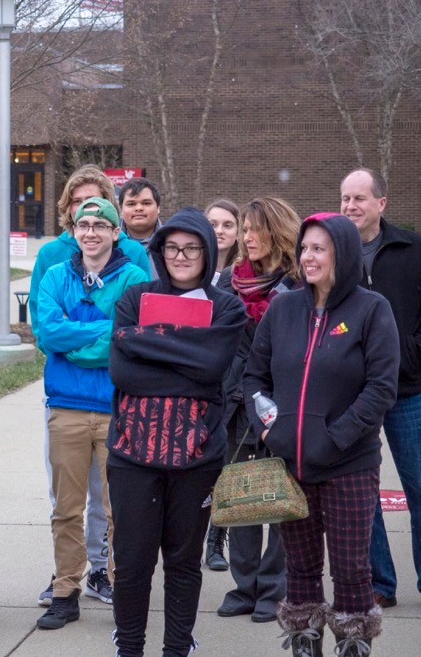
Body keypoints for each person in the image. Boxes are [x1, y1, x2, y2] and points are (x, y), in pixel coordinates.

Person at [244, 213, 399, 657]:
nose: (308, 258)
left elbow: (381, 388)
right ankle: (304, 645)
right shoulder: (284, 307)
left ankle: (353, 644)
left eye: (319, 249)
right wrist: (270, 429)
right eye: (305, 249)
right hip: (292, 463)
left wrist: (334, 439)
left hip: (348, 463)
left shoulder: (371, 309)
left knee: (351, 568)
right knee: (301, 568)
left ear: (342, 254)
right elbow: (254, 376)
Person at [108, 207, 246, 656]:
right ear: (159, 251)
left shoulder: (226, 306)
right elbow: (123, 372)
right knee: (131, 563)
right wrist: (187, 359)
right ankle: (129, 648)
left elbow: (212, 368)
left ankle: (176, 649)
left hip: (197, 454)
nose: (181, 256)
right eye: (172, 248)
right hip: (133, 453)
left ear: (207, 251)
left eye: (191, 248)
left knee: (184, 564)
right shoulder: (134, 298)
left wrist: (149, 344)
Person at [28, 165, 149, 607]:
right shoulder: (57, 273)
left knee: (120, 510)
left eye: (100, 224)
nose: (91, 230)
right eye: (83, 223)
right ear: (72, 228)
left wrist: (81, 339)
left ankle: (119, 588)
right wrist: (102, 334)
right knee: (67, 508)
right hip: (66, 406)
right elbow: (48, 334)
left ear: (116, 231)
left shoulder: (135, 278)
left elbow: (132, 336)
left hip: (119, 405)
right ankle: (66, 590)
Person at [216, 196, 302, 624]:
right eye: (243, 230)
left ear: (278, 231)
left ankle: (274, 588)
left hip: (284, 408)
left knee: (279, 498)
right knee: (243, 496)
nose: (247, 238)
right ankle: (244, 586)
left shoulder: (298, 286)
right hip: (235, 404)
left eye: (256, 229)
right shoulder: (227, 283)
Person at [340, 168, 421, 610]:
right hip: (354, 395)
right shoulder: (331, 255)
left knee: (419, 489)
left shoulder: (413, 250)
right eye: (345, 198)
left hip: (411, 391)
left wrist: (410, 353)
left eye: (359, 198)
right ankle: (378, 584)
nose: (350, 206)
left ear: (381, 203)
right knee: (361, 495)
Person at [202, 197, 241, 572]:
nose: (220, 231)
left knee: (228, 463)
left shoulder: (244, 275)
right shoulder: (188, 267)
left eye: (228, 224)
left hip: (233, 379)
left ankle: (216, 540)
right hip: (198, 376)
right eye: (212, 223)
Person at [118, 177, 163, 246]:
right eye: (131, 204)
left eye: (146, 203)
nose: (139, 208)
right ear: (121, 209)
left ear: (158, 208)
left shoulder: (172, 239)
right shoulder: (108, 240)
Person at [205, 198, 240, 284]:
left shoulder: (247, 272)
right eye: (212, 225)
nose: (219, 231)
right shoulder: (192, 270)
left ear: (238, 233)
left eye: (227, 225)